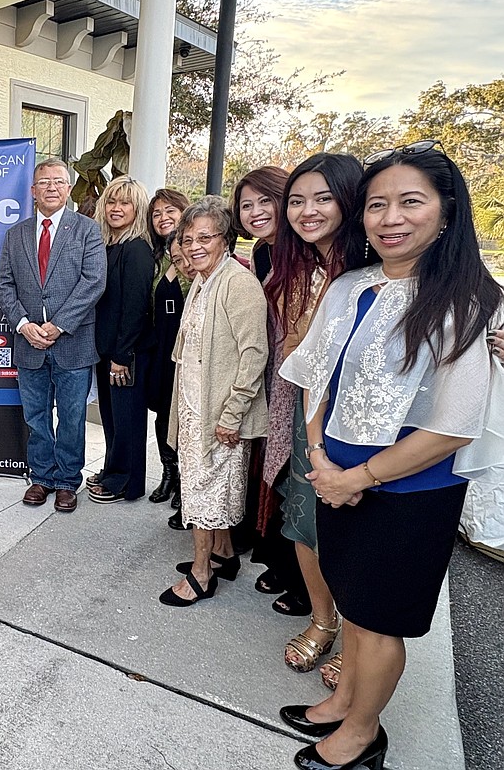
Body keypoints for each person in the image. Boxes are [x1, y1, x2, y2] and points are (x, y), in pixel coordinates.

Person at [278, 143, 500, 770]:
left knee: (379, 621)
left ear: (447, 212)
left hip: (409, 492)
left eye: (410, 202)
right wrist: (320, 458)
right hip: (335, 476)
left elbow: (455, 426)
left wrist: (359, 477)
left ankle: (364, 733)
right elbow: (315, 375)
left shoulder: (469, 301)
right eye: (378, 205)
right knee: (352, 602)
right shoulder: (352, 286)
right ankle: (345, 699)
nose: (390, 218)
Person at [261, 154, 363, 675]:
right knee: (304, 522)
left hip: (364, 425)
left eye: (322, 198)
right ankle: (323, 620)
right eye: (297, 201)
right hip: (308, 415)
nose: (307, 211)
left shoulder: (377, 262)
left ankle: (359, 637)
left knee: (353, 533)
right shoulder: (298, 265)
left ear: (350, 200)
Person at [161, 196, 268, 607]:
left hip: (219, 412)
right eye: (187, 239)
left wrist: (232, 413)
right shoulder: (204, 280)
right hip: (193, 405)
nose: (194, 246)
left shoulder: (239, 283)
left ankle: (202, 573)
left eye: (205, 237)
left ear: (226, 239)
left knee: (206, 492)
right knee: (202, 485)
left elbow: (254, 354)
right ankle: (223, 554)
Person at [0, 157, 107, 513]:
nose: (52, 188)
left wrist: (58, 325)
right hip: (28, 343)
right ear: (33, 191)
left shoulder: (87, 230)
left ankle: (66, 481)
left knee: (72, 416)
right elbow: (5, 284)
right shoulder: (16, 235)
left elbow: (94, 282)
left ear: (69, 188)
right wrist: (23, 324)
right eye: (44, 183)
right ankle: (41, 477)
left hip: (72, 342)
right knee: (36, 416)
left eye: (58, 182)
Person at [231, 166, 308, 617]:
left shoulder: (314, 252)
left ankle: (305, 584)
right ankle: (278, 559)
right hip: (268, 370)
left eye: (266, 201)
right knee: (268, 467)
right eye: (247, 205)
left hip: (300, 378)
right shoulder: (262, 252)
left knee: (292, 470)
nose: (256, 212)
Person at [86, 176, 155, 503]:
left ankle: (125, 482)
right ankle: (113, 470)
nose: (116, 208)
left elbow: (135, 307)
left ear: (137, 208)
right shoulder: (109, 245)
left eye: (125, 203)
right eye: (112, 201)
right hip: (106, 349)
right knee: (112, 419)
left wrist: (121, 356)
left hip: (124, 353)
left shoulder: (137, 248)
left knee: (127, 421)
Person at [143, 187, 191, 515]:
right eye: (157, 213)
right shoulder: (155, 256)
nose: (163, 218)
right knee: (163, 413)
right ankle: (168, 474)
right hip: (161, 348)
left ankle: (187, 484)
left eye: (169, 210)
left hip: (190, 349)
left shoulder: (197, 251)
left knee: (186, 417)